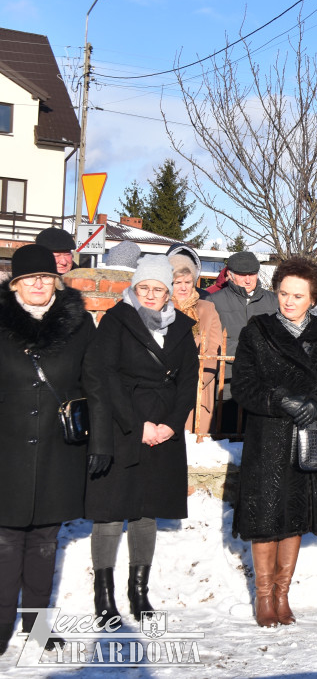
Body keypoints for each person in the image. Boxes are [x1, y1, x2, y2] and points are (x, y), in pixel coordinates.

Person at [82, 255, 199, 629]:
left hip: (164, 428)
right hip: (123, 424)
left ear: (168, 293)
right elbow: (103, 376)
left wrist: (171, 425)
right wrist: (138, 425)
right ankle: (104, 598)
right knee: (111, 510)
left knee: (147, 510)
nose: (150, 294)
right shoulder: (116, 321)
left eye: (158, 289)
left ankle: (139, 593)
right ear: (133, 288)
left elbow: (188, 380)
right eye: (144, 287)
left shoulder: (181, 326)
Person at [231, 257, 317, 627]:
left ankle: (283, 594)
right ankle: (264, 596)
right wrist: (279, 399)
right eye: (283, 293)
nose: (289, 301)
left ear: (312, 299)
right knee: (265, 518)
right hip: (268, 439)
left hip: (308, 438)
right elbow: (243, 386)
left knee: (295, 517)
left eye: (298, 295)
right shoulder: (257, 331)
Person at [0, 245, 95, 654]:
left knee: (44, 541)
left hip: (59, 450)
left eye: (45, 277)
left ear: (55, 280)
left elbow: (95, 382)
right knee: (5, 542)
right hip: (7, 450)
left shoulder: (80, 324)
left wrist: (99, 440)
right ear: (15, 284)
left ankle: (36, 626)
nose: (38, 284)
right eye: (28, 279)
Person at [208, 251, 277, 432]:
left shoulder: (274, 302)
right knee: (226, 437)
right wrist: (248, 350)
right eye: (242, 274)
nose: (248, 280)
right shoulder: (213, 301)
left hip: (263, 385)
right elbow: (211, 343)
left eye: (252, 274)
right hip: (227, 384)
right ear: (230, 275)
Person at [170, 254, 224, 435]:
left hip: (198, 389)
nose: (183, 287)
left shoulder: (207, 308)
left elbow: (214, 349)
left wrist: (199, 380)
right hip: (166, 390)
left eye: (188, 282)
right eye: (178, 282)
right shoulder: (161, 309)